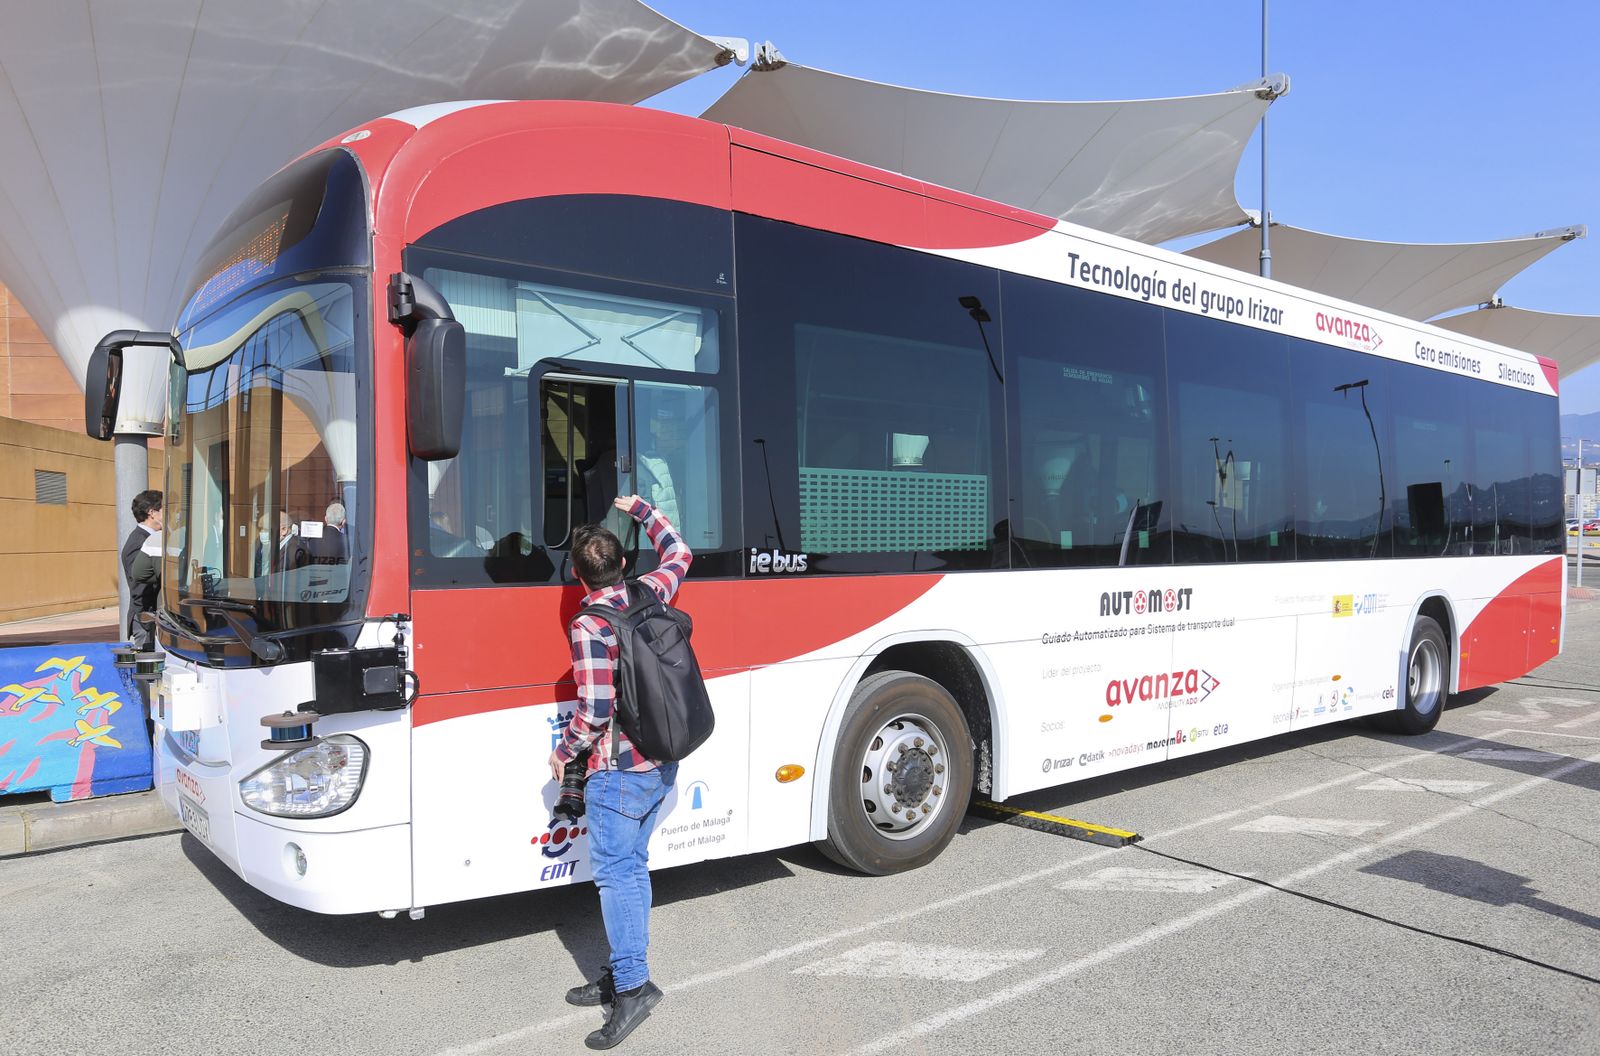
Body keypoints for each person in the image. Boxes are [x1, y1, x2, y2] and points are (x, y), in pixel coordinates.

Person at [548, 494, 692, 1050]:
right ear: (624, 564)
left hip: (618, 771)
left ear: (578, 576)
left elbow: (595, 710)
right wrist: (643, 511)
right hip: (661, 760)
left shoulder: (590, 624)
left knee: (615, 876)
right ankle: (622, 969)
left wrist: (564, 752)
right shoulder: (649, 590)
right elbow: (679, 554)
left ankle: (633, 988)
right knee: (632, 869)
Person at [119, 489, 163, 649]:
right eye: (164, 509)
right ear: (152, 513)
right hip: (146, 620)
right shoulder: (139, 541)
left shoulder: (151, 538)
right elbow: (139, 586)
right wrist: (148, 619)